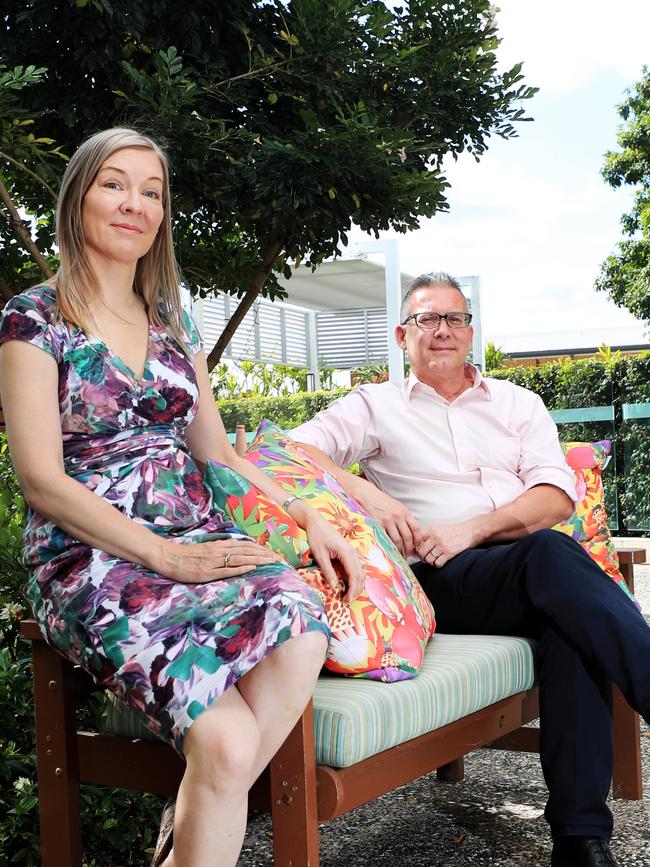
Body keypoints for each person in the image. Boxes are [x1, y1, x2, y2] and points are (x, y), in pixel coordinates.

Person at [0, 128, 364, 867]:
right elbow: (40, 478)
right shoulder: (32, 319)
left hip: (193, 540)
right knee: (226, 743)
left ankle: (187, 827)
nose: (134, 203)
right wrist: (164, 554)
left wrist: (304, 512)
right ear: (77, 198)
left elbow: (217, 452)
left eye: (152, 191)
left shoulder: (172, 320)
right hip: (92, 557)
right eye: (114, 183)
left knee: (303, 620)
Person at [291, 272, 650, 867]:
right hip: (437, 582)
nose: (442, 331)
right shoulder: (374, 406)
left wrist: (475, 529)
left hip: (520, 567)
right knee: (555, 557)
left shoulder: (517, 403)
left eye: (454, 319)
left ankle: (581, 843)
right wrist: (373, 498)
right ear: (403, 334)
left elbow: (557, 495)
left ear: (470, 333)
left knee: (568, 621)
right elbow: (293, 449)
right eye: (428, 320)